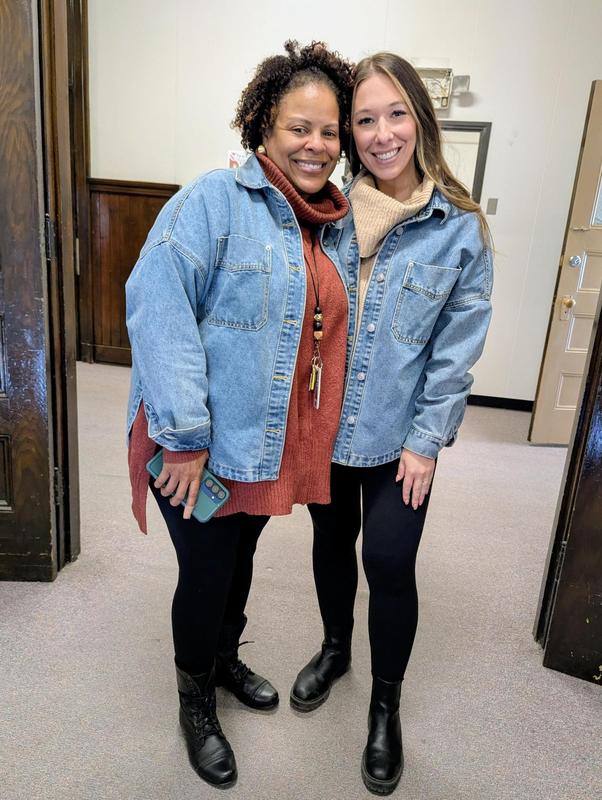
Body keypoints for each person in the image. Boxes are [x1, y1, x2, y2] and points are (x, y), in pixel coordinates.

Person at [125, 41, 354, 789]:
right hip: (194, 436)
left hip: (259, 438)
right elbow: (158, 314)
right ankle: (195, 698)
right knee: (207, 566)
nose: (315, 145)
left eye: (329, 131)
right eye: (299, 128)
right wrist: (184, 440)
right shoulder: (211, 202)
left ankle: (223, 660)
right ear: (262, 126)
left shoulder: (321, 220)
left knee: (241, 554)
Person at [290, 52, 493, 795]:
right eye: (364, 120)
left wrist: (426, 443)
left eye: (395, 114)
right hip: (325, 430)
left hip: (398, 439)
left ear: (421, 119)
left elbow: (454, 353)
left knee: (390, 564)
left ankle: (385, 704)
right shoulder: (322, 212)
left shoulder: (459, 230)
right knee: (329, 543)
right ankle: (337, 647)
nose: (380, 134)